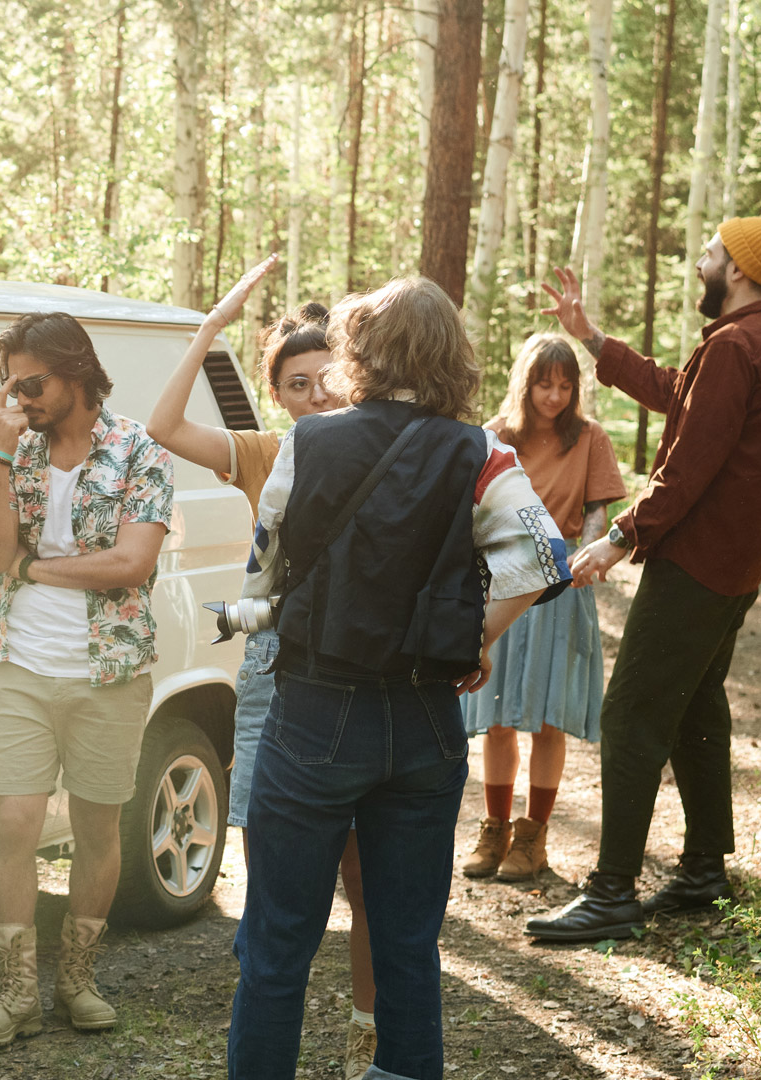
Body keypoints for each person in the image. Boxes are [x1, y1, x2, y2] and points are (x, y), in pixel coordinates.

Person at [229, 277, 570, 1080]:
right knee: (408, 946)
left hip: (314, 710)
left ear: (362, 350)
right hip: (425, 719)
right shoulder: (480, 450)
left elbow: (263, 580)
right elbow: (546, 556)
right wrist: (474, 639)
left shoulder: (308, 443)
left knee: (278, 946)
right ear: (452, 356)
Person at [526, 217, 761, 942]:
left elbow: (688, 465)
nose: (700, 264)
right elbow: (677, 393)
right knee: (695, 708)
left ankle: (612, 890)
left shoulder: (740, 346)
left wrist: (619, 537)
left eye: (711, 254)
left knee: (632, 714)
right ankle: (704, 869)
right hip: (734, 569)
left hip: (697, 565)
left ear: (739, 270)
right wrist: (590, 339)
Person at [145, 255, 383, 1080]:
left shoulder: (386, 446)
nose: (316, 393)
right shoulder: (261, 451)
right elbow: (164, 427)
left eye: (329, 377)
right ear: (276, 394)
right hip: (281, 664)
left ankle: (366, 1038)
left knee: (365, 873)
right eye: (297, 383)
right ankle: (267, 1018)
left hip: (366, 665)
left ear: (353, 376)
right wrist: (208, 332)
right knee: (276, 864)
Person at [0, 312, 174, 1047]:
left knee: (95, 825)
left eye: (32, 382)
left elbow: (131, 564)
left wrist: (35, 567)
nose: (20, 397)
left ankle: (76, 979)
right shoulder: (15, 450)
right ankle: (17, 992)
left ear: (76, 373)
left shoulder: (138, 450)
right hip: (19, 661)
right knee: (15, 822)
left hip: (108, 669)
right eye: (11, 384)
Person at [460, 336, 626, 882]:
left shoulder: (590, 438)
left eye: (565, 385)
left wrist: (587, 553)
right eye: (543, 383)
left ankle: (533, 837)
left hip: (561, 587)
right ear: (525, 383)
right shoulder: (494, 436)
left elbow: (598, 510)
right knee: (499, 718)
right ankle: (495, 830)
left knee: (548, 719)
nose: (554, 395)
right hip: (502, 585)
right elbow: (473, 508)